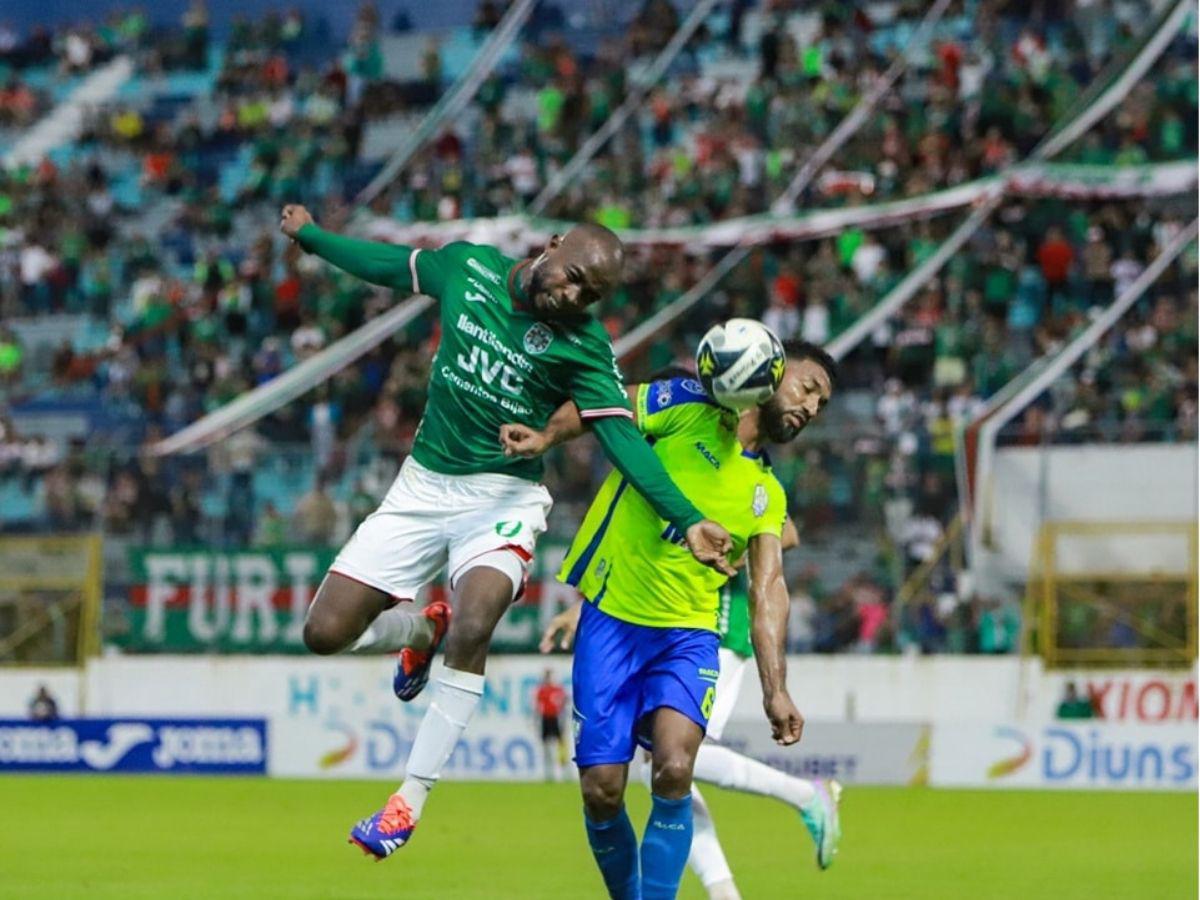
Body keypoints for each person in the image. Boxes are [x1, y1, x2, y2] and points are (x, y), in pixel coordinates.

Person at [278, 204, 735, 859]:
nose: (573, 295)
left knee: (477, 621)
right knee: (325, 634)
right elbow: (389, 266)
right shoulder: (469, 269)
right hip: (422, 487)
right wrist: (314, 239)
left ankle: (407, 801)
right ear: (549, 247)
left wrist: (687, 519)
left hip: (503, 498)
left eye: (590, 293)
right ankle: (418, 631)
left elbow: (622, 439)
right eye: (572, 276)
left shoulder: (583, 344)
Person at [501, 337, 838, 899]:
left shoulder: (766, 493)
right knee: (602, 790)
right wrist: (547, 435)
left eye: (821, 405)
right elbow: (605, 405)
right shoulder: (684, 402)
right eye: (807, 387)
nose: (810, 407)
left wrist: (775, 688)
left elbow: (770, 589)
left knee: (676, 766)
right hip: (612, 620)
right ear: (769, 371)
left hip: (688, 635)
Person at [534, 668, 568, 782]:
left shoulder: (558, 689)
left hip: (556, 718)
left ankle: (565, 771)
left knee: (561, 744)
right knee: (546, 745)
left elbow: (564, 703)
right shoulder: (542, 691)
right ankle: (549, 772)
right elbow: (538, 708)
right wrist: (536, 721)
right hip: (546, 718)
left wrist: (564, 719)